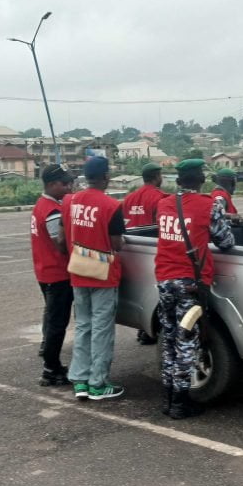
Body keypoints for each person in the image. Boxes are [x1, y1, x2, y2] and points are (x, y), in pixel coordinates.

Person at [155, 159, 235, 418]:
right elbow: (225, 241)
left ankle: (168, 397)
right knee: (187, 340)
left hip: (164, 280)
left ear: (178, 181)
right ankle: (180, 402)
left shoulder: (163, 204)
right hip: (189, 284)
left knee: (168, 338)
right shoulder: (207, 205)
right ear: (201, 180)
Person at [62, 155, 126, 401]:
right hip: (102, 275)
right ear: (106, 177)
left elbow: (64, 233)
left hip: (78, 269)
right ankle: (98, 383)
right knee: (101, 329)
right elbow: (116, 243)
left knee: (83, 326)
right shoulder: (111, 205)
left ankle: (80, 379)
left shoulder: (71, 201)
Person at [31, 164, 76, 385]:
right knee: (58, 323)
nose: (69, 187)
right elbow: (60, 244)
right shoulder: (51, 211)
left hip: (45, 270)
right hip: (57, 274)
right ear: (51, 185)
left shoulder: (43, 204)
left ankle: (49, 357)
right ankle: (51, 369)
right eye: (64, 183)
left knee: (51, 318)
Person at [122, 162, 166, 345]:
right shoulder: (161, 198)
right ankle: (149, 331)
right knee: (155, 294)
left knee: (140, 291)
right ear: (157, 177)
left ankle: (143, 330)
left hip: (132, 252)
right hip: (152, 251)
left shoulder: (129, 199)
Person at [122, 162, 165, 228]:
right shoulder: (161, 197)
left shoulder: (128, 198)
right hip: (150, 237)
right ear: (157, 176)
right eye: (161, 175)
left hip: (129, 237)